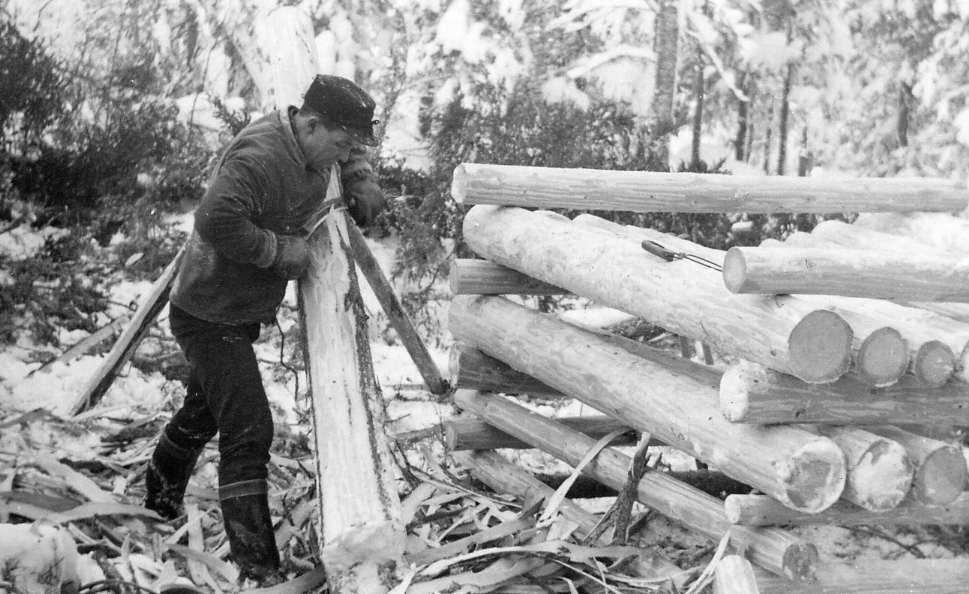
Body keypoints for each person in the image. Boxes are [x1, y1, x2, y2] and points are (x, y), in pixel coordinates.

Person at [144, 74, 386, 584]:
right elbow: (215, 221)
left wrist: (360, 176)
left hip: (237, 312)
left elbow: (346, 153)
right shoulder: (258, 159)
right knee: (249, 427)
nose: (341, 155)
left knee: (204, 409)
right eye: (341, 145)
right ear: (312, 124)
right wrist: (278, 252)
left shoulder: (313, 137)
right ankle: (258, 567)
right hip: (208, 315)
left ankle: (159, 498)